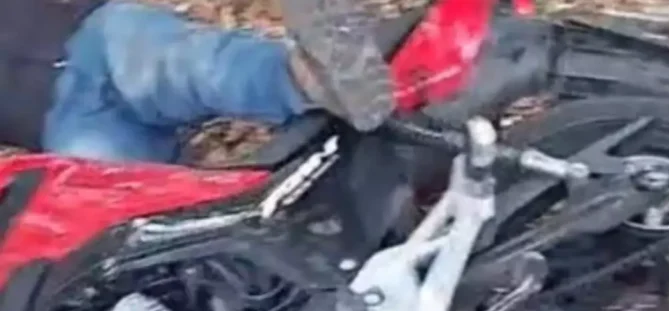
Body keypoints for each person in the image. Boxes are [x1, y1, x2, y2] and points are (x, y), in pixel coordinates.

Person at [1, 0, 394, 163]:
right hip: (59, 123)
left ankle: (310, 77)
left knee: (193, 61)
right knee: (111, 201)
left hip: (94, 39)